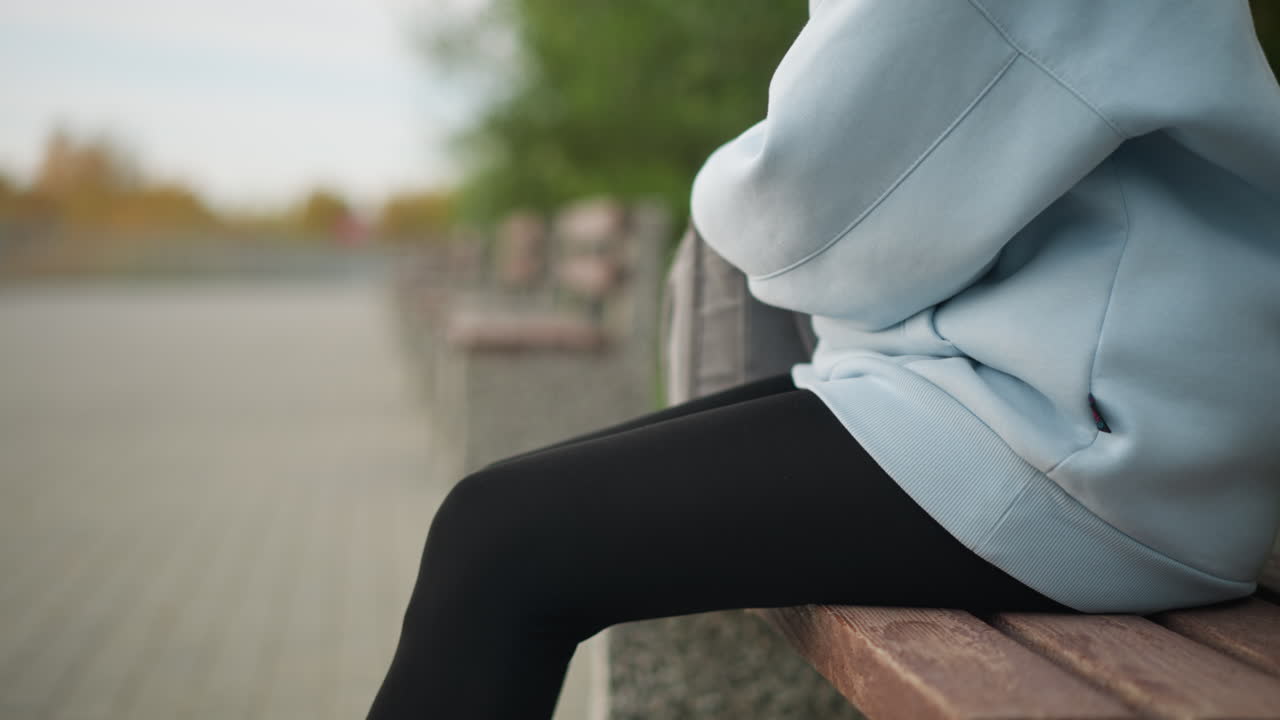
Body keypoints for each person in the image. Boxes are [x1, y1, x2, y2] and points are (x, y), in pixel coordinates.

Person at [367, 1, 1280, 717]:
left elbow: (799, 214)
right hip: (1072, 409)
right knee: (500, 518)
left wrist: (721, 189)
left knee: (499, 543)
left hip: (1080, 450)